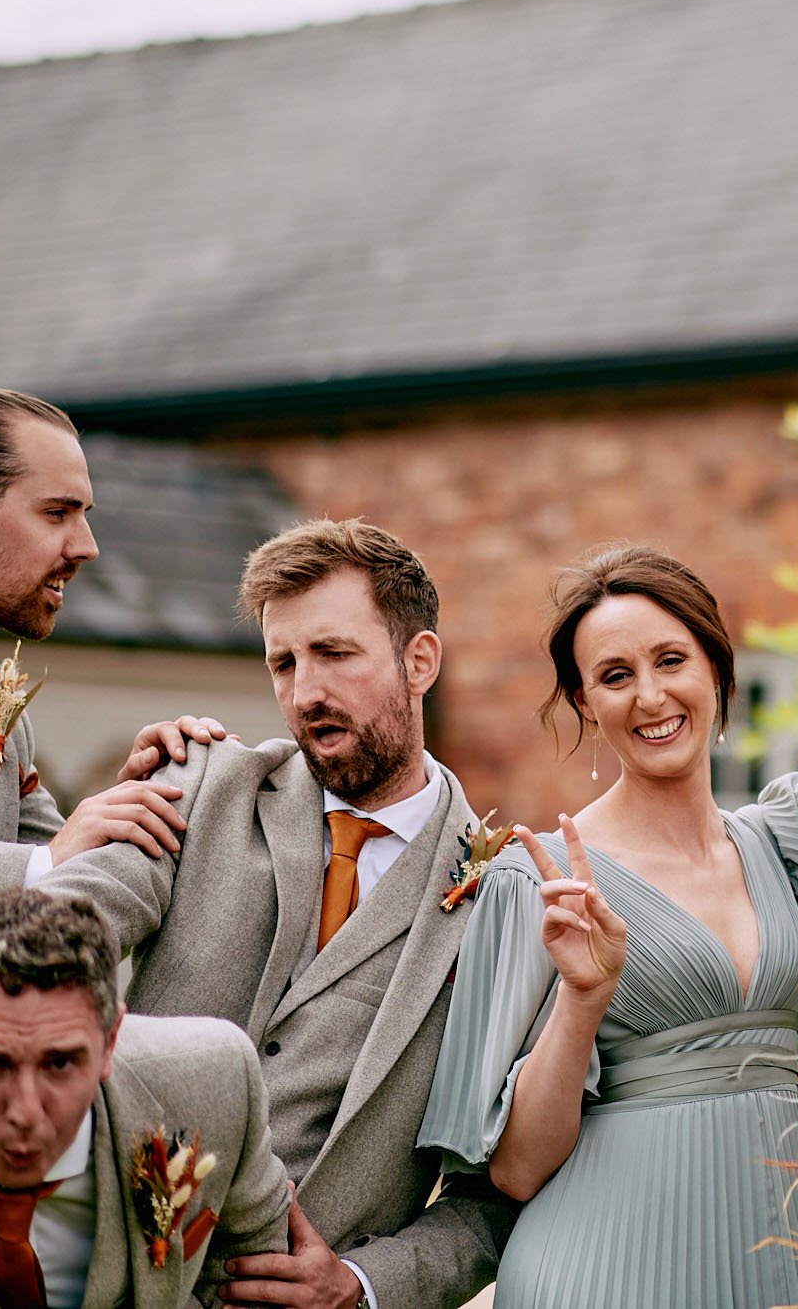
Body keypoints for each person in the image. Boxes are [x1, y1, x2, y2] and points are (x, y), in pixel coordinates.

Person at [41, 519, 515, 1309]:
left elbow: (497, 1193)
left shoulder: (503, 894)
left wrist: (365, 1286)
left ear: (418, 661)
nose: (305, 693)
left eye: (334, 654)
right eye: (283, 663)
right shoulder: (195, 784)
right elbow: (46, 948)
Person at [419, 547, 798, 1307]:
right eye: (614, 676)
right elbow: (511, 1171)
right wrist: (584, 997)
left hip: (789, 1254)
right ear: (585, 704)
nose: (650, 696)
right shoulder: (538, 881)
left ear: (715, 668)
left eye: (671, 660)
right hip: (610, 1266)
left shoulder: (784, 843)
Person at [0, 889, 289, 1309]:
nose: (25, 1112)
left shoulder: (214, 1083)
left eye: (59, 1063)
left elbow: (260, 1274)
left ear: (111, 1040)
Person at [0, 387, 227, 895]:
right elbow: (45, 862)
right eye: (57, 513)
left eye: (84, 515)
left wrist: (128, 803)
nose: (88, 547)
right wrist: (52, 857)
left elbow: (59, 876)